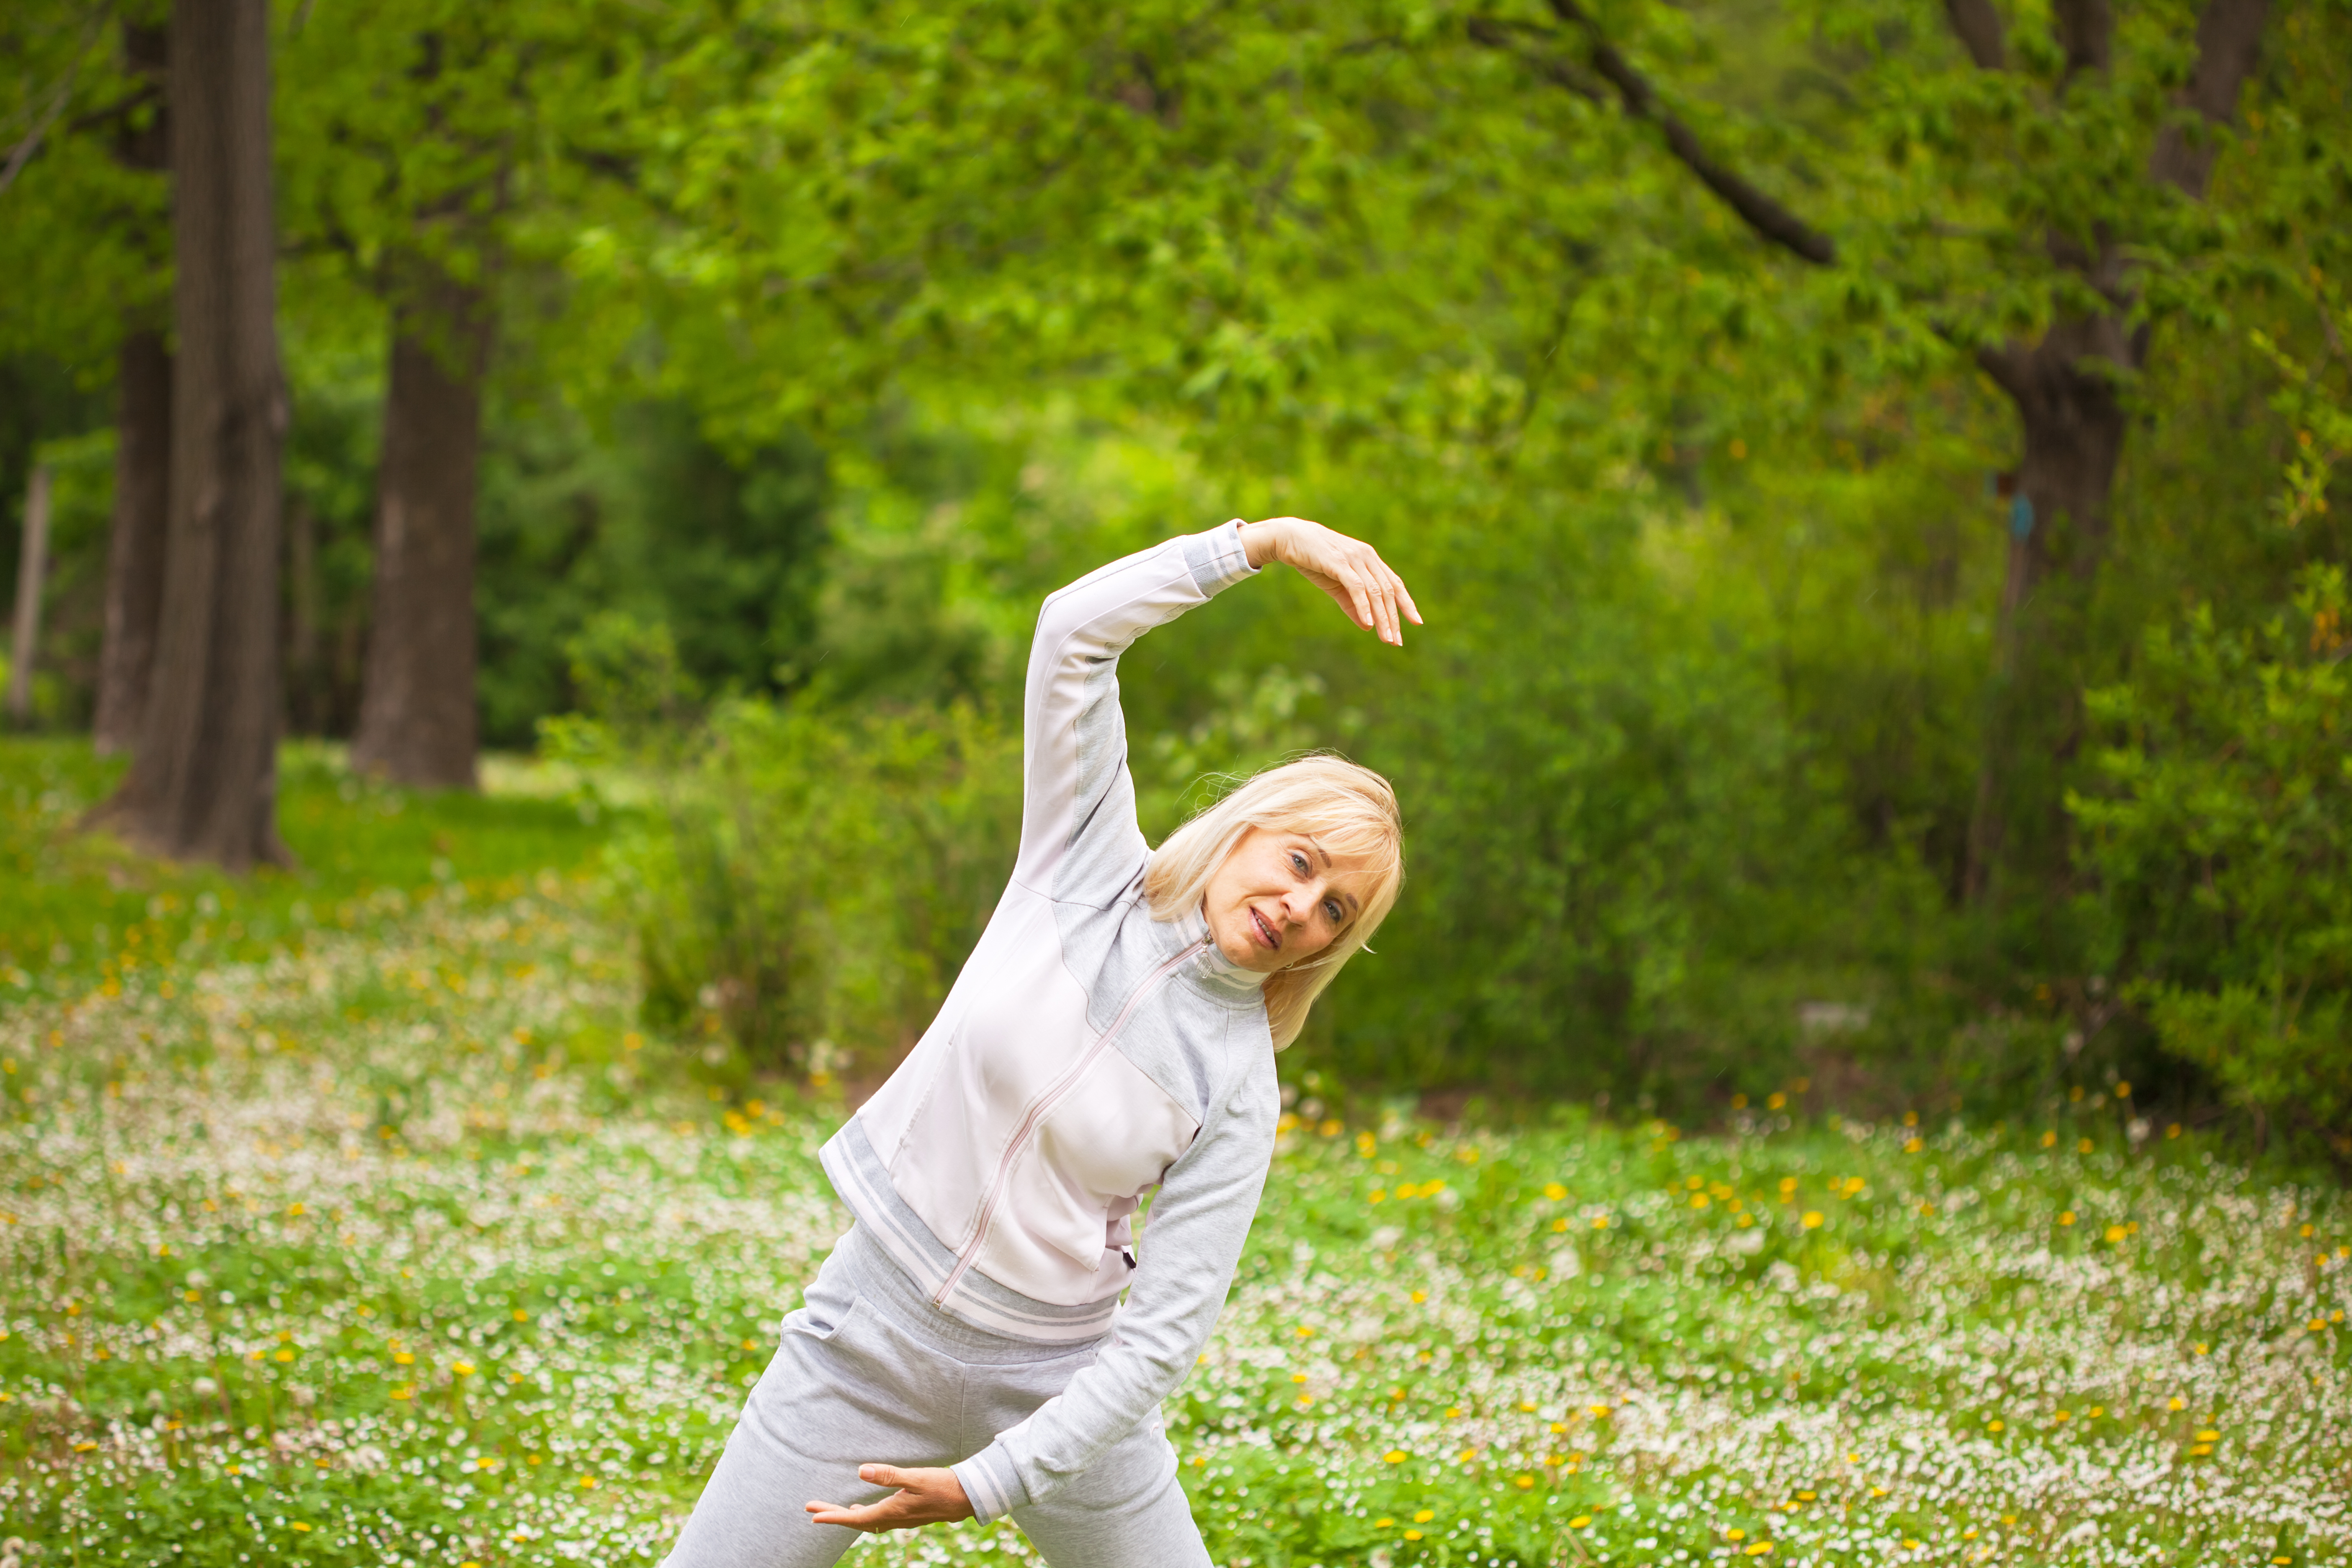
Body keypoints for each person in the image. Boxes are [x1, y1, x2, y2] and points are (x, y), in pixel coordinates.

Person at [663, 515, 1420, 1567]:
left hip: (1057, 1381)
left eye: (1337, 909)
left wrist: (989, 1483)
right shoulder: (1087, 862)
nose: (1302, 906)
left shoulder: (1240, 1081)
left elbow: (1159, 1340)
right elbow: (1072, 633)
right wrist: (1265, 543)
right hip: (865, 1339)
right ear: (1247, 828)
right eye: (1300, 863)